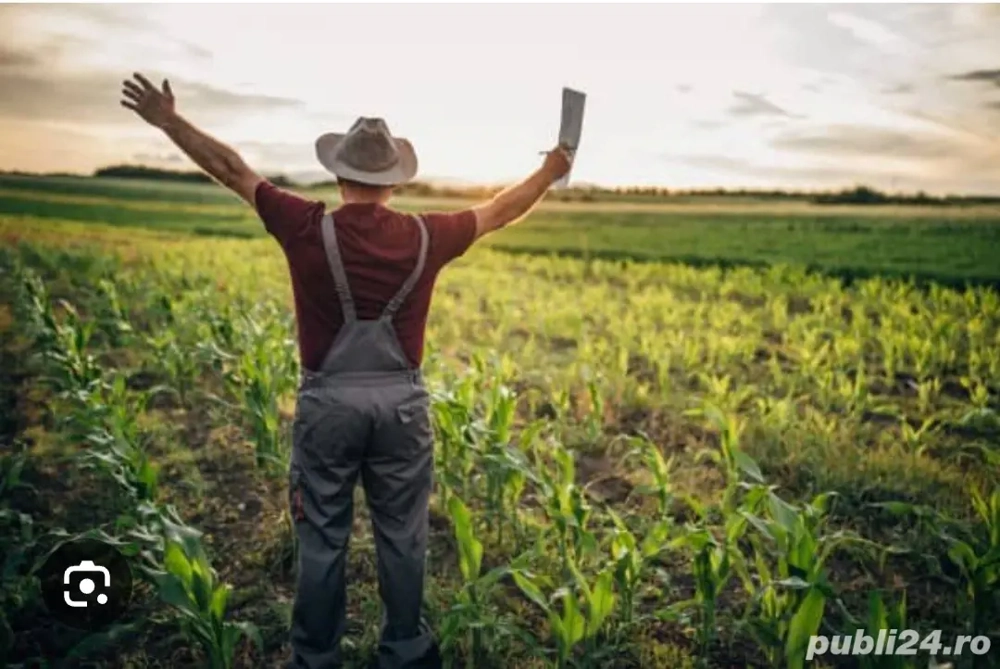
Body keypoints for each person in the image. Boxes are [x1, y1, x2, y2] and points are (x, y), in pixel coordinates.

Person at [120, 73, 572, 669]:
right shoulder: (426, 236)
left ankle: (315, 658)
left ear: (338, 175)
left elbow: (231, 169)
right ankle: (405, 652)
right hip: (402, 410)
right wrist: (551, 169)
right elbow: (500, 210)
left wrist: (170, 122)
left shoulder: (305, 225)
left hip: (328, 409)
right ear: (393, 182)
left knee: (322, 540)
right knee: (404, 538)